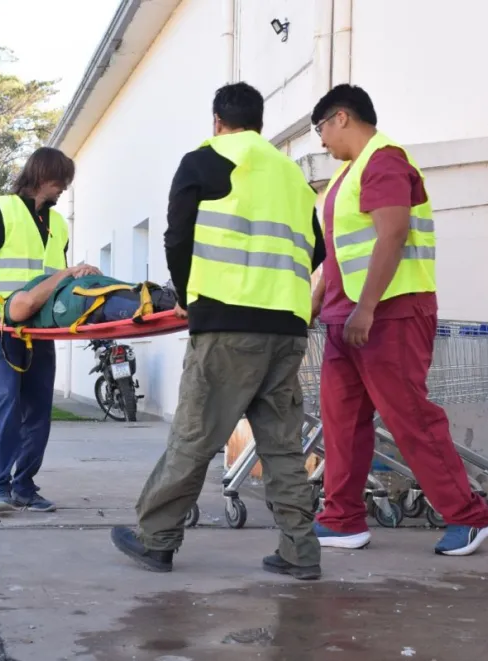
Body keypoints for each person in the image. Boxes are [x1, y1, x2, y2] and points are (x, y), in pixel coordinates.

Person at [110, 82, 326, 579]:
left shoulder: (203, 161)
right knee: (281, 446)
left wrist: (190, 296)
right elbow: (316, 248)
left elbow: (177, 237)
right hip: (287, 328)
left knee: (195, 435)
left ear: (217, 121)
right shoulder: (291, 177)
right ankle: (300, 551)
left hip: (227, 326)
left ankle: (156, 538)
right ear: (259, 123)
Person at [309, 84, 488, 556]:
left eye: (320, 129)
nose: (321, 142)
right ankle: (342, 520)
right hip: (344, 318)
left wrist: (366, 307)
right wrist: (313, 308)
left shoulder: (384, 160)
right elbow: (336, 255)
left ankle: (470, 516)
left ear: (341, 117)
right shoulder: (347, 175)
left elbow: (392, 234)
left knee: (409, 418)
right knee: (341, 422)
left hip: (387, 313)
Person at [0, 147, 74, 515]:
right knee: (8, 397)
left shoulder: (59, 225)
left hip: (40, 330)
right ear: (42, 176)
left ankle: (24, 486)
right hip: (0, 326)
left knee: (40, 408)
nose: (64, 188)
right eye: (61, 180)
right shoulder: (2, 211)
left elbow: (59, 280)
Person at [2, 271, 177, 330]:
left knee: (129, 290)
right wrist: (69, 271)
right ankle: (167, 300)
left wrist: (83, 271)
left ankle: (167, 295)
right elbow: (26, 305)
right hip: (72, 302)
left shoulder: (38, 286)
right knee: (112, 299)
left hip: (81, 290)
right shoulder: (10, 305)